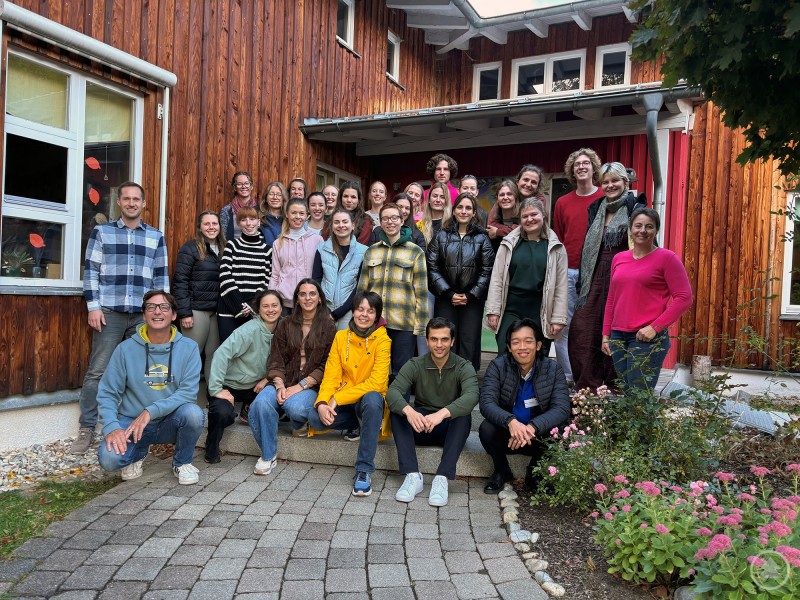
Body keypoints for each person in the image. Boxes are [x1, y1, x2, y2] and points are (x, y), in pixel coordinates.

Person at [71, 181, 169, 454]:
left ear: (144, 203)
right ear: (119, 202)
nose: (131, 203)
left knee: (142, 372)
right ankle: (87, 428)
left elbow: (161, 278)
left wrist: (161, 311)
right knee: (98, 372)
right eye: (126, 199)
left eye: (137, 199)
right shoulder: (102, 233)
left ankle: (140, 426)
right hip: (110, 314)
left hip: (143, 316)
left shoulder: (155, 237)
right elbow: (91, 272)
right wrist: (93, 306)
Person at [96, 290, 204, 485]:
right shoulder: (125, 349)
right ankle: (137, 454)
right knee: (109, 459)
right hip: (132, 421)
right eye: (151, 307)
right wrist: (112, 427)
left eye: (164, 307)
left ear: (173, 315)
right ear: (144, 314)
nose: (157, 312)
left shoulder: (189, 348)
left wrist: (150, 411)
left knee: (194, 414)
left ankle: (182, 462)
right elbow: (108, 392)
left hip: (170, 419)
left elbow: (187, 393)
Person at [305, 291, 392, 496]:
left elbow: (377, 383)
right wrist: (324, 402)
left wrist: (337, 398)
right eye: (360, 309)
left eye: (370, 311)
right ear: (353, 311)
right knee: (314, 417)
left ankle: (364, 470)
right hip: (345, 401)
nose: (364, 315)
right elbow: (331, 376)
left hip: (368, 401)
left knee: (372, 399)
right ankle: (358, 424)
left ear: (377, 315)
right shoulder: (341, 336)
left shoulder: (383, 340)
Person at [386, 317, 479, 507]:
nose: (439, 345)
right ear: (427, 341)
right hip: (420, 425)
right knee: (398, 412)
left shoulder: (463, 366)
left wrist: (442, 413)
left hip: (448, 429)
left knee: (463, 416)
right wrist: (410, 412)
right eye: (434, 339)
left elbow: (472, 396)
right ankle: (413, 476)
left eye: (444, 339)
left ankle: (442, 478)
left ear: (452, 341)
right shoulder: (415, 364)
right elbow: (393, 392)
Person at [569, 162, 646, 391]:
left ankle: (614, 387)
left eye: (615, 180)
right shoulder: (596, 208)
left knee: (617, 332)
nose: (610, 185)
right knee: (582, 331)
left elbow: (645, 243)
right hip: (594, 277)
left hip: (621, 277)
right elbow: (588, 246)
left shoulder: (636, 207)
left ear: (625, 182)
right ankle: (587, 388)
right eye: (606, 182)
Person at [248, 279, 337, 474]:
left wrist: (301, 386)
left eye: (312, 294)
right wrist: (279, 385)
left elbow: (327, 365)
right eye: (302, 294)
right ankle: (268, 456)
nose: (307, 298)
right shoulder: (286, 323)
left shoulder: (329, 327)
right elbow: (276, 358)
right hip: (284, 380)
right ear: (296, 299)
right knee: (259, 404)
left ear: (320, 298)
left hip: (311, 386)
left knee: (294, 407)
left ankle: (299, 423)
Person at [602, 208, 692, 391]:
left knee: (639, 396)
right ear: (630, 229)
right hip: (618, 336)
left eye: (649, 226)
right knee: (627, 392)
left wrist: (655, 328)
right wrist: (606, 335)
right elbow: (612, 298)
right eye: (638, 225)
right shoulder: (619, 258)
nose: (642, 230)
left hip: (646, 337)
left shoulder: (667, 258)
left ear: (656, 231)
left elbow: (684, 298)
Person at [478, 318, 570, 493]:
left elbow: (562, 408)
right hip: (509, 436)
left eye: (528, 341)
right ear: (509, 347)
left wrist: (532, 427)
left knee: (560, 428)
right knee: (486, 429)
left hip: (537, 437)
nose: (522, 347)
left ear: (538, 345)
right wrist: (511, 422)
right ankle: (501, 471)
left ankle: (535, 474)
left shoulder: (553, 369)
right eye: (516, 342)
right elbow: (486, 403)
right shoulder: (498, 366)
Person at [204, 289, 282, 462]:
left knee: (281, 403)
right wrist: (216, 389)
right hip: (229, 384)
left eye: (274, 305)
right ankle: (211, 450)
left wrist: (267, 379)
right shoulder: (249, 330)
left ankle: (248, 408)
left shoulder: (283, 330)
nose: (271, 310)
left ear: (281, 308)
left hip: (255, 385)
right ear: (258, 309)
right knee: (222, 414)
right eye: (265, 306)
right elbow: (221, 354)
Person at [485, 198, 568, 357]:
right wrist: (493, 311)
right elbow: (497, 279)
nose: (529, 219)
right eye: (525, 216)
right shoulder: (508, 243)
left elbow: (561, 286)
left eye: (534, 214)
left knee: (535, 356)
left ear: (543, 215)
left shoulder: (556, 247)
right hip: (510, 308)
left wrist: (558, 318)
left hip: (540, 309)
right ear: (520, 219)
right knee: (506, 352)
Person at [552, 148, 605, 385]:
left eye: (586, 163)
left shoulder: (605, 198)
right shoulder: (563, 202)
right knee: (562, 327)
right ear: (572, 171)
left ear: (594, 168)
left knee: (591, 326)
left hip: (594, 273)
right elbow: (560, 238)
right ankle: (569, 375)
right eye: (577, 164)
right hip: (569, 272)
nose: (581, 167)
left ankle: (590, 374)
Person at [358, 203, 428, 378]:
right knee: (372, 373)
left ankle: (398, 406)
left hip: (403, 323)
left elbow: (421, 293)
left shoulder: (416, 252)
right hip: (373, 323)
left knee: (400, 375)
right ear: (380, 222)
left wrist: (420, 326)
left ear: (402, 220)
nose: (390, 222)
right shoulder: (371, 252)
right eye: (385, 218)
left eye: (394, 218)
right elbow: (362, 290)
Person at [427, 193, 494, 372]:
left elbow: (487, 271)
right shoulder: (441, 236)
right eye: (460, 207)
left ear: (474, 213)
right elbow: (432, 267)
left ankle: (467, 383)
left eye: (468, 208)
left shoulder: (482, 238)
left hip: (472, 301)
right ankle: (444, 382)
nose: (463, 211)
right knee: (444, 338)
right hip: (445, 299)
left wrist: (470, 295)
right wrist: (449, 293)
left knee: (468, 341)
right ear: (454, 210)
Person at [173, 211, 226, 387]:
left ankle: (213, 398)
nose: (211, 227)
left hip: (217, 311)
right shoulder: (191, 248)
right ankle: (186, 398)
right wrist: (184, 312)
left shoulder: (225, 248)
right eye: (207, 224)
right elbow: (180, 281)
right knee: (192, 355)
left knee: (215, 355)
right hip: (196, 310)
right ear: (200, 228)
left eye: (215, 223)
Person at [217, 206, 272, 343]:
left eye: (252, 219)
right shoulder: (232, 246)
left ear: (259, 222)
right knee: (228, 355)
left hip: (253, 310)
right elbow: (225, 276)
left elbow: (266, 281)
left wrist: (251, 305)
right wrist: (240, 305)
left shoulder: (267, 250)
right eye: (244, 220)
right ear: (238, 223)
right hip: (228, 310)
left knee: (249, 357)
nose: (248, 223)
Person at [313, 208, 368, 330]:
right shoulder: (321, 249)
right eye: (336, 222)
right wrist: (325, 309)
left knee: (344, 347)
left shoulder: (363, 251)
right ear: (331, 226)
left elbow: (360, 287)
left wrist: (338, 313)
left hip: (348, 310)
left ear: (353, 226)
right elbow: (316, 280)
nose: (341, 225)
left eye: (345, 222)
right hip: (323, 308)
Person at [269, 198, 324, 312]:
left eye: (301, 213)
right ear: (287, 214)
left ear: (307, 216)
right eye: (294, 213)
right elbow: (275, 274)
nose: (298, 217)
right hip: (284, 301)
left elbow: (321, 273)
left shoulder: (317, 240)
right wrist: (272, 298)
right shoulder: (278, 243)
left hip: (308, 301)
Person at [219, 171, 257, 241]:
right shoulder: (226, 211)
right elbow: (223, 237)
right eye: (239, 184)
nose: (243, 186)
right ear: (235, 188)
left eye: (246, 183)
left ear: (251, 187)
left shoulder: (259, 210)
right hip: (233, 249)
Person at [486, 179, 521, 251]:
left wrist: (498, 232)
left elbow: (521, 230)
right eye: (502, 195)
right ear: (497, 198)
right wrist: (512, 229)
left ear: (515, 197)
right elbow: (491, 227)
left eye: (509, 194)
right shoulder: (495, 214)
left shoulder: (523, 213)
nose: (505, 197)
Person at [417, 182, 452, 247]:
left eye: (442, 197)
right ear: (429, 200)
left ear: (446, 201)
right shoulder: (419, 225)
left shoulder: (452, 225)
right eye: (435, 196)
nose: (438, 200)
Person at [260, 181, 287, 246]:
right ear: (266, 198)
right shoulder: (258, 217)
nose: (275, 197)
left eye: (279, 194)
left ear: (283, 198)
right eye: (271, 194)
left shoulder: (289, 218)